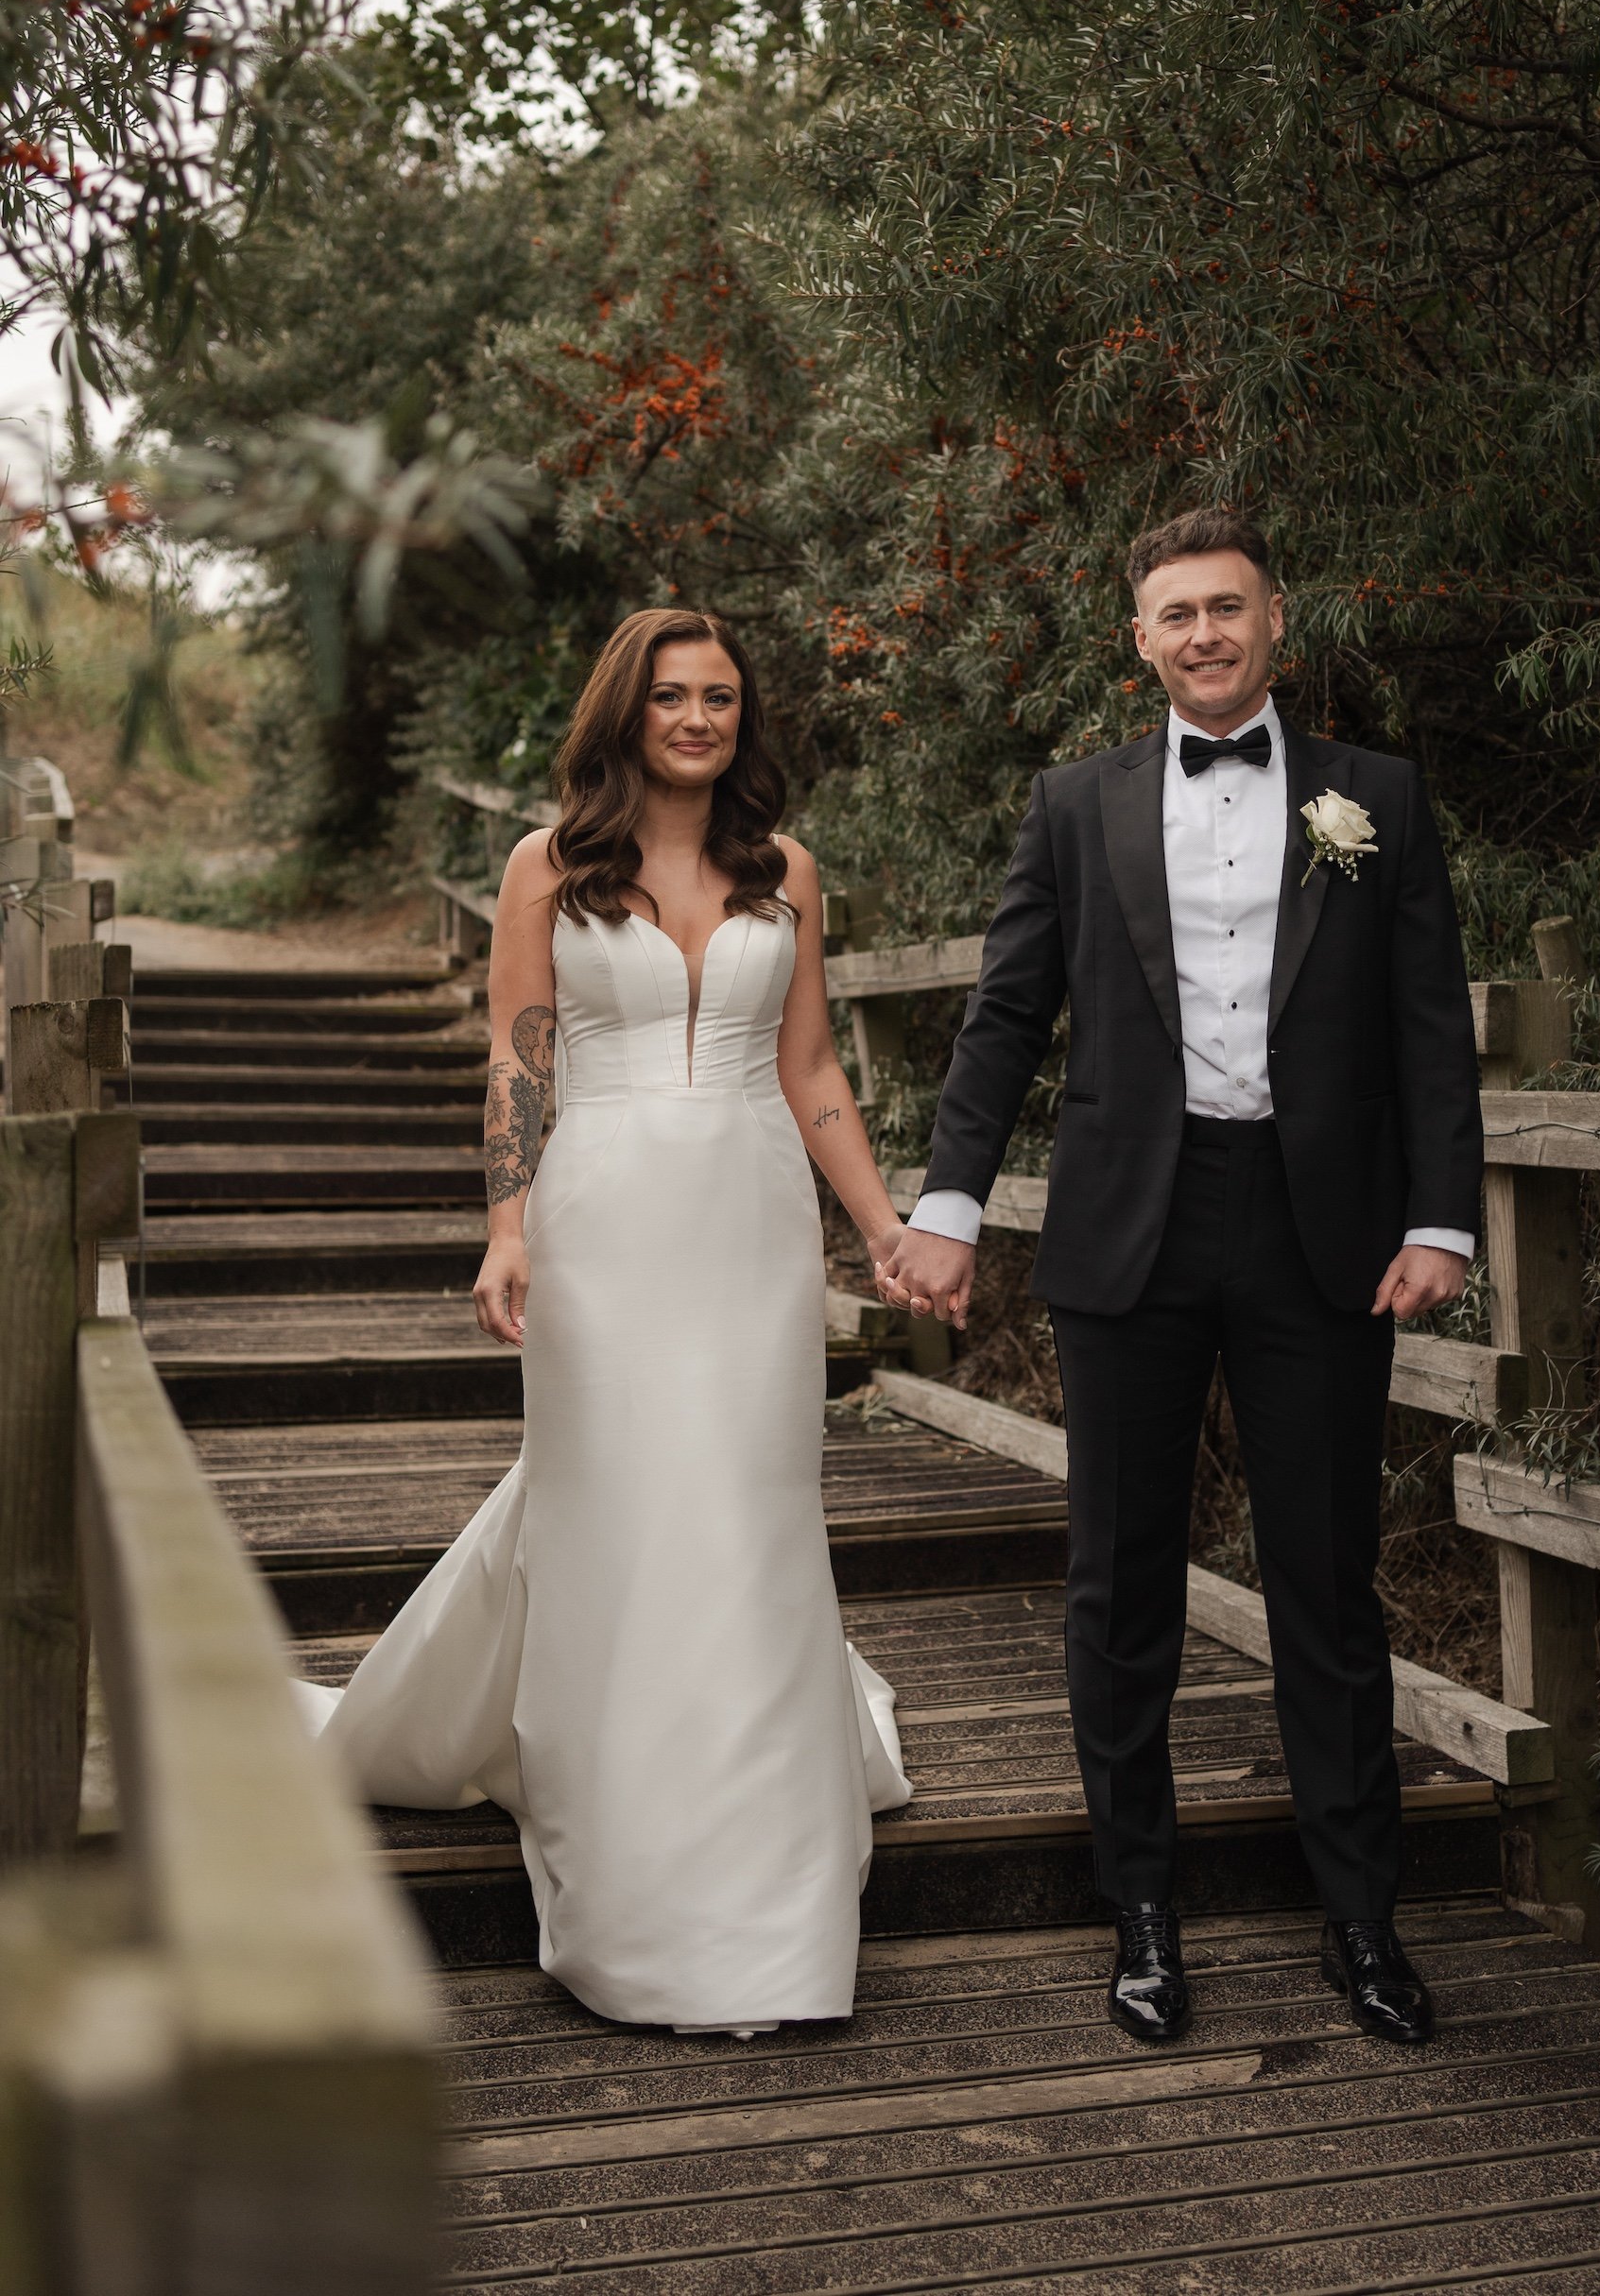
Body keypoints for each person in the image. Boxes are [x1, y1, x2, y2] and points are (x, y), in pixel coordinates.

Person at [876, 508, 1481, 2048]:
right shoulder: (1074, 806)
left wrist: (1443, 1221)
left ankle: (1362, 1921)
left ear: (1277, 621)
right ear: (1137, 640)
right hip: (1126, 1233)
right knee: (1121, 1587)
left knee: (1327, 1586)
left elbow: (1425, 1027)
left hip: (1322, 1235)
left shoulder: (1380, 800)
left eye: (1228, 608)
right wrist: (947, 1202)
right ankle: (1140, 1910)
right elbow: (1007, 1017)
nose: (1203, 634)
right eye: (1175, 616)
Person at [300, 607, 912, 2032]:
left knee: (752, 1513)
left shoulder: (788, 872)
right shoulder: (548, 868)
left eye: (721, 700)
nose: (698, 720)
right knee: (621, 1508)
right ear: (625, 713)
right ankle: (633, 1863)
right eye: (673, 698)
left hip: (755, 1220)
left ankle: (761, 1867)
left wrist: (880, 1223)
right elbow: (520, 1061)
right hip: (607, 1221)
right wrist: (508, 1224)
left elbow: (810, 1063)